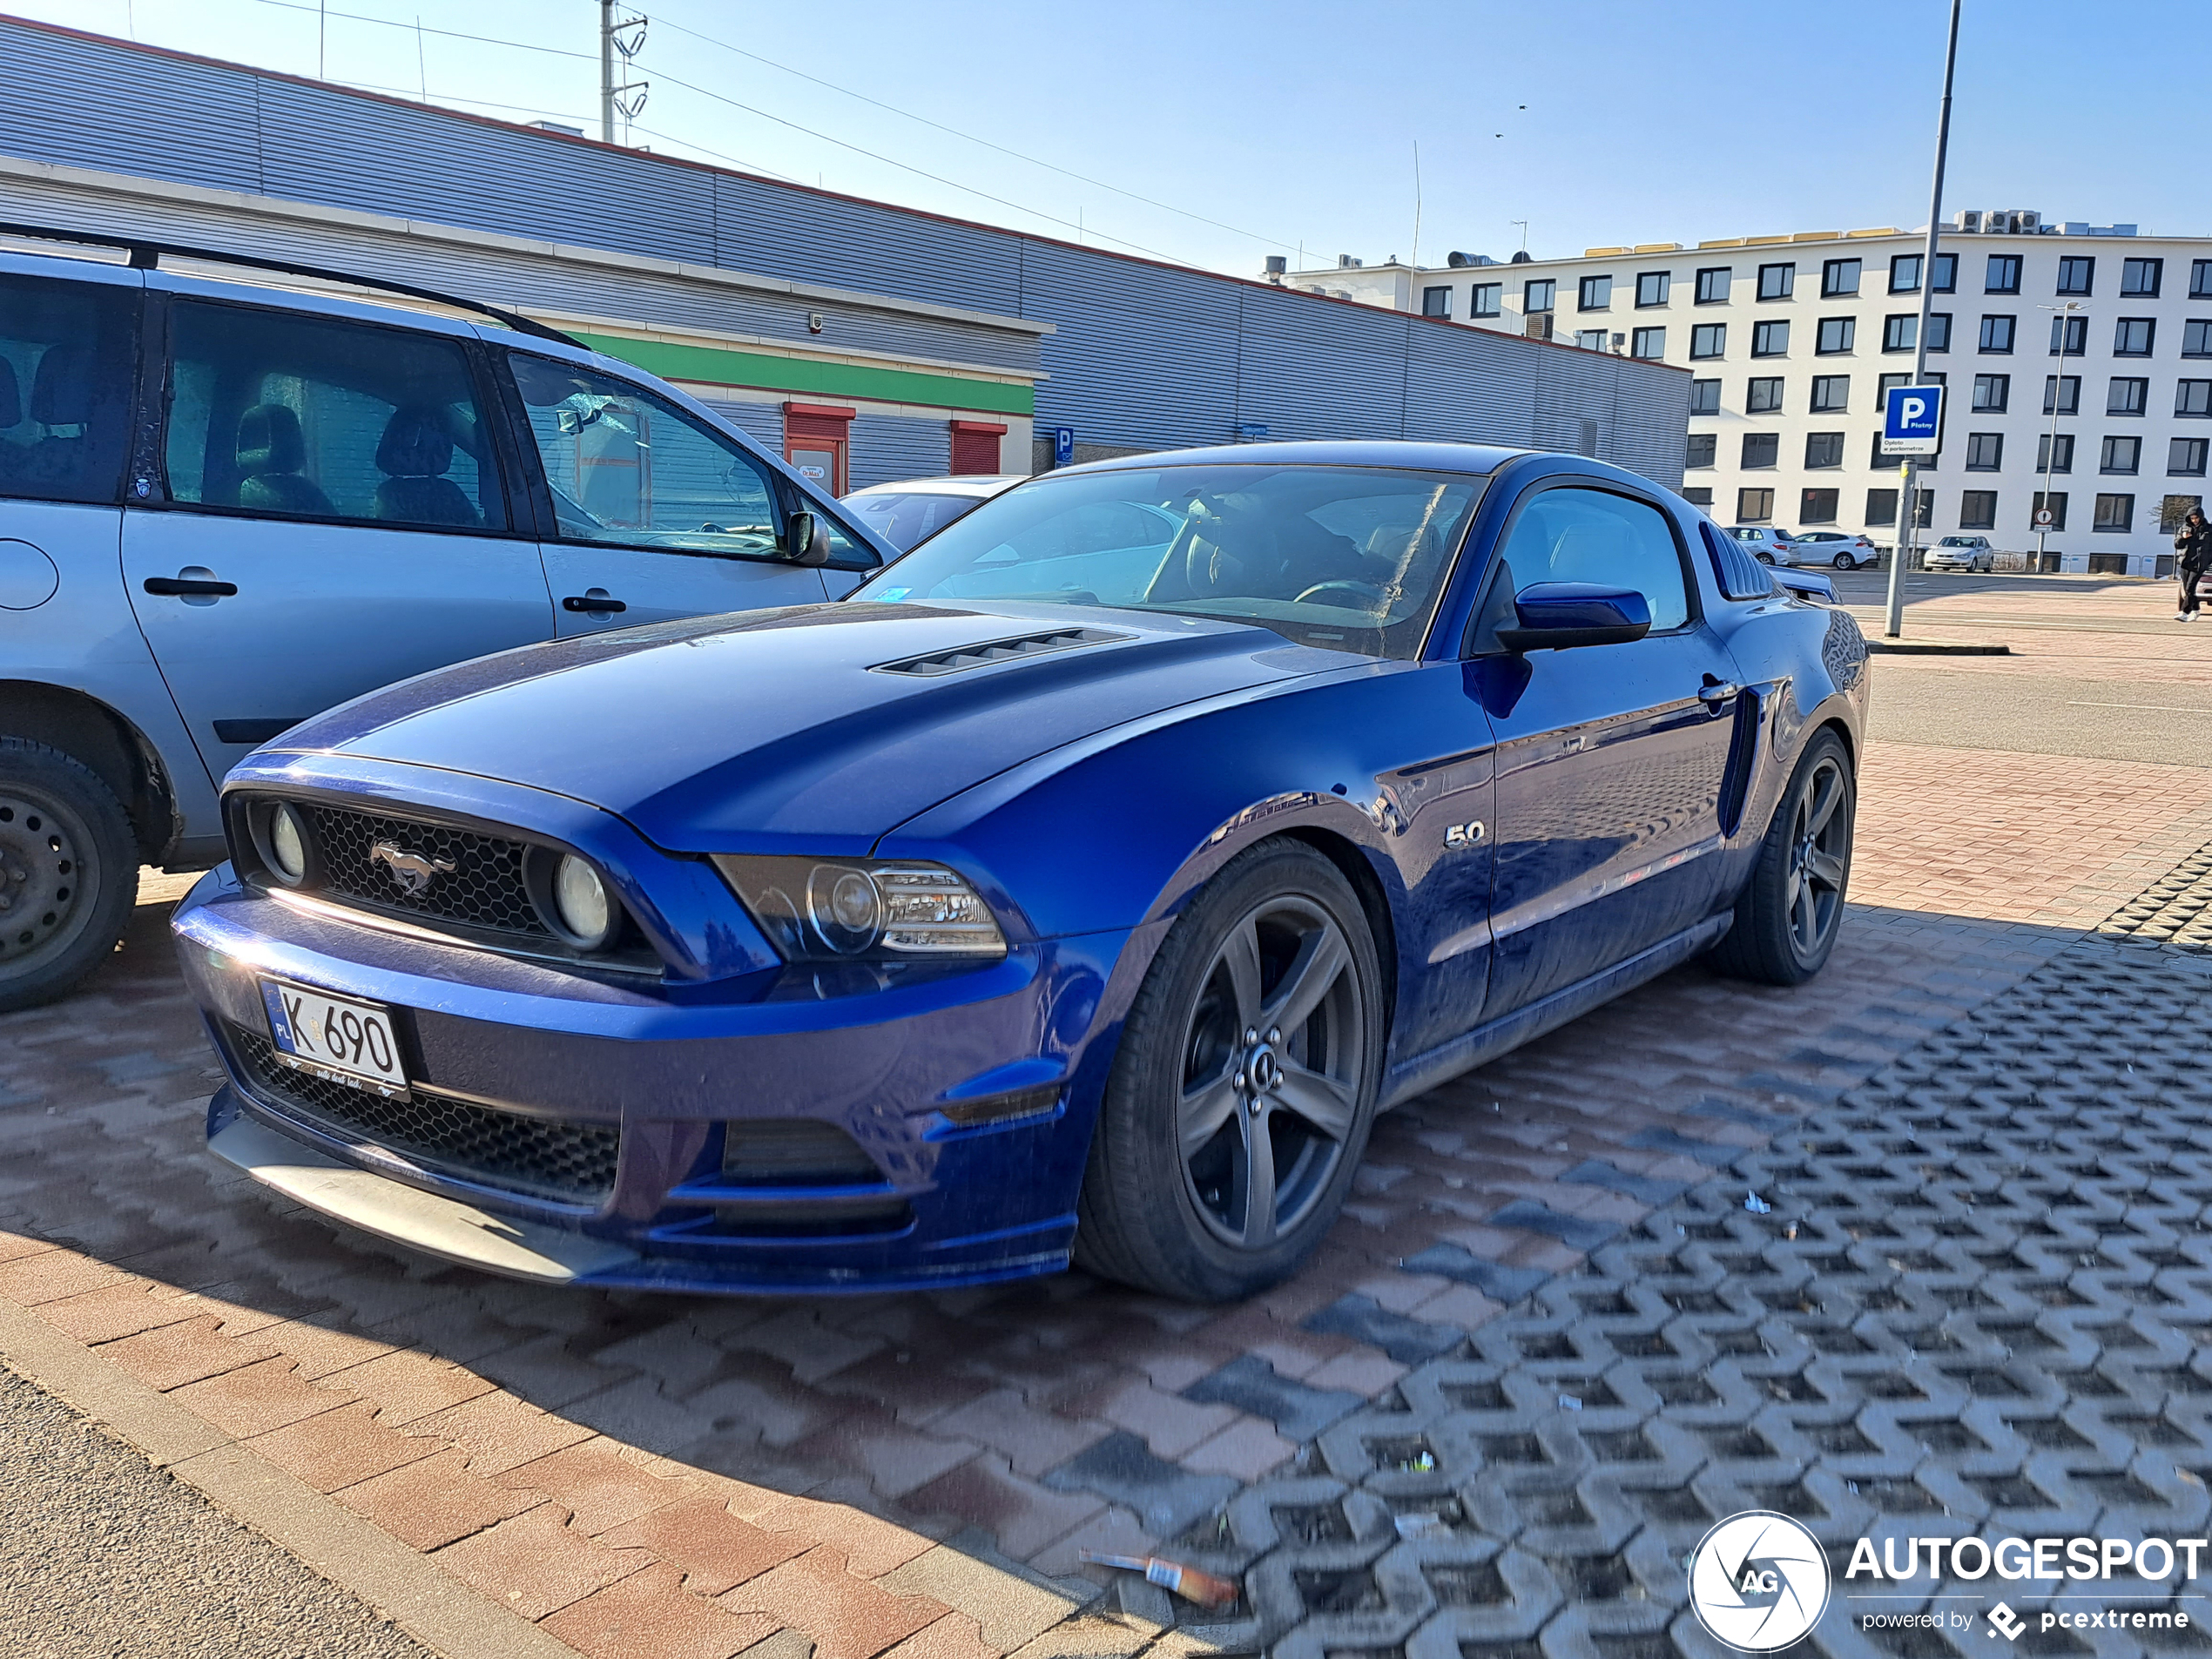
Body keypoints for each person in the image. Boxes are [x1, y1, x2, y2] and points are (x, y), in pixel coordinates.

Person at [2177, 507, 2212, 621]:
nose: (2194, 520)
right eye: (2192, 518)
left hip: (2199, 564)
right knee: (2187, 590)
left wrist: (2208, 561)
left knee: (2190, 587)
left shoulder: (2209, 529)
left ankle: (2184, 612)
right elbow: (2177, 545)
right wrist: (2183, 538)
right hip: (2186, 563)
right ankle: (2196, 610)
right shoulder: (2184, 528)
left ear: (2201, 517)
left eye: (2196, 518)